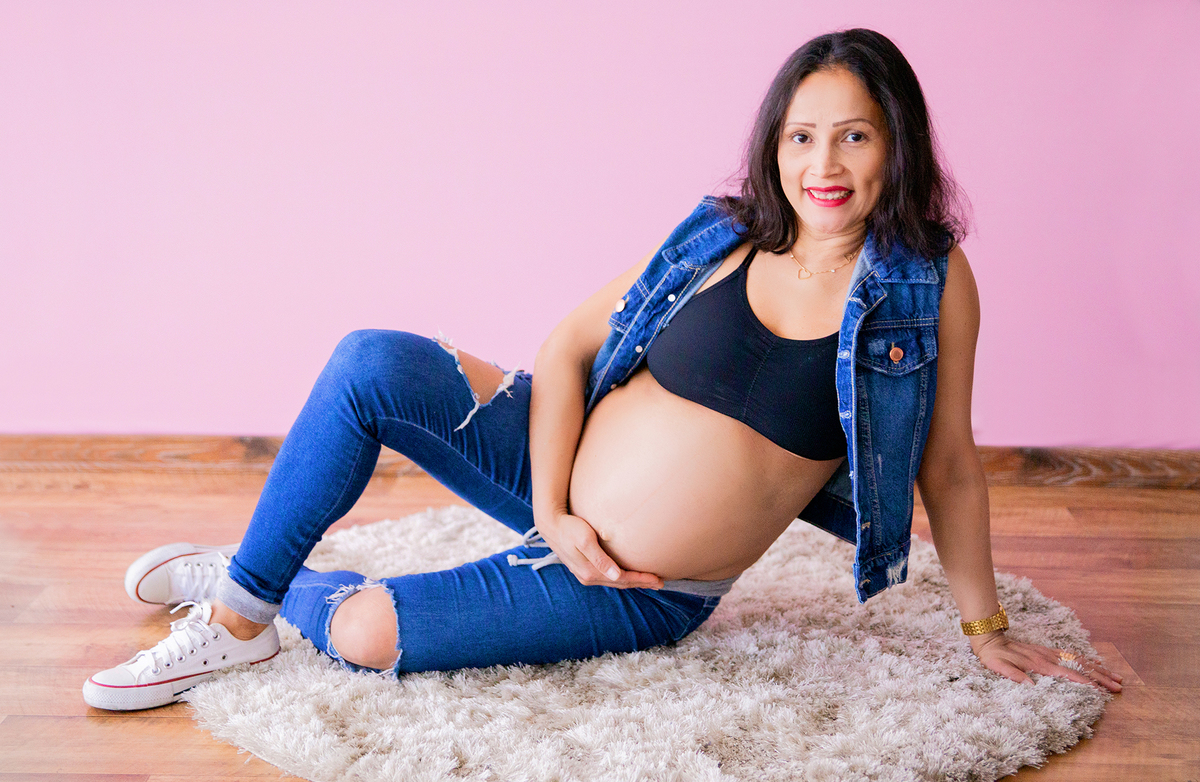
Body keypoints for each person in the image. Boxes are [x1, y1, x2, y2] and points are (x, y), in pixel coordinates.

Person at [83, 28, 1122, 711]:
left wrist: (983, 621)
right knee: (370, 362)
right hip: (558, 489)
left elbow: (948, 463)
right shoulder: (723, 233)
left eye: (855, 135)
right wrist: (557, 511)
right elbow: (568, 347)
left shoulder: (923, 283)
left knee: (363, 629)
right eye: (804, 134)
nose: (826, 163)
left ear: (897, 144)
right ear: (774, 144)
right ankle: (235, 620)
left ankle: (259, 575)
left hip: (640, 586)